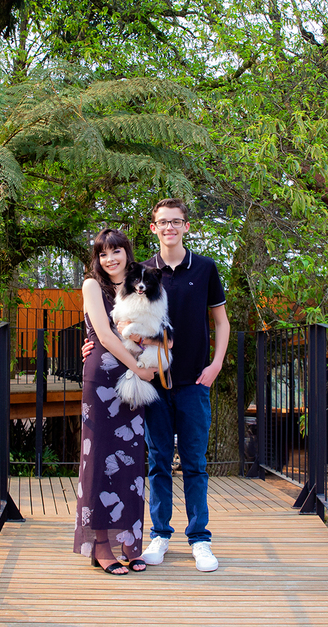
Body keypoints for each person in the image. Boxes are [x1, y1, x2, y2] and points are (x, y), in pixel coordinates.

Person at [83, 199, 230, 571]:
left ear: (186, 226)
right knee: (158, 463)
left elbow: (221, 321)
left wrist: (216, 364)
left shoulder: (206, 268)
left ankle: (200, 540)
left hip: (194, 381)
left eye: (176, 222)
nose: (169, 228)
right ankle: (160, 535)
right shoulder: (140, 272)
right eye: (163, 222)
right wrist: (90, 344)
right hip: (152, 383)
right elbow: (111, 323)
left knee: (195, 464)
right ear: (154, 228)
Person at [74, 228, 158, 575]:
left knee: (131, 461)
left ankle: (131, 542)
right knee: (99, 458)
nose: (110, 259)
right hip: (103, 381)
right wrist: (139, 367)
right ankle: (101, 546)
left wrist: (149, 356)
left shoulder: (142, 282)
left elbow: (156, 327)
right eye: (103, 253)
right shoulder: (93, 286)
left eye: (116, 251)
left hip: (133, 382)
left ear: (127, 252)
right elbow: (105, 335)